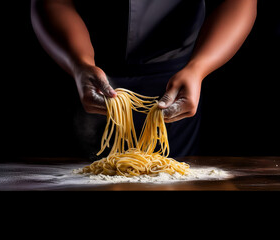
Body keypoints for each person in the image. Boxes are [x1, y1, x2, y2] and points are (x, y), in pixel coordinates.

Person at [31, 0, 257, 158]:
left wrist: (199, 68)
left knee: (172, 178)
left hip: (175, 77)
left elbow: (240, 1)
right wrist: (79, 63)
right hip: (78, 68)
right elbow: (53, 2)